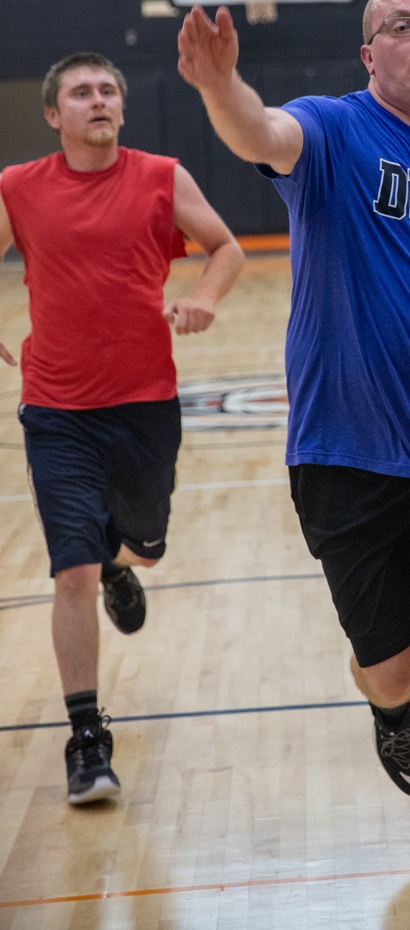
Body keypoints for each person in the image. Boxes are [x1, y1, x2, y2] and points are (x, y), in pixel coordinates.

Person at [176, 0, 410, 930]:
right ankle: (384, 707)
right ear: (367, 56)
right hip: (344, 450)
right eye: (399, 27)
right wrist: (220, 90)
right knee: (396, 666)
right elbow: (260, 135)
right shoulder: (332, 131)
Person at [0, 53, 244, 806]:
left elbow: (227, 248)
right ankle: (86, 738)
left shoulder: (162, 176)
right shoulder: (17, 188)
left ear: (122, 109)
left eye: (108, 91)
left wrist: (203, 297)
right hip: (56, 409)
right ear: (54, 114)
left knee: (145, 543)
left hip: (144, 402)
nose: (97, 100)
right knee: (68, 568)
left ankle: (120, 565)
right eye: (81, 92)